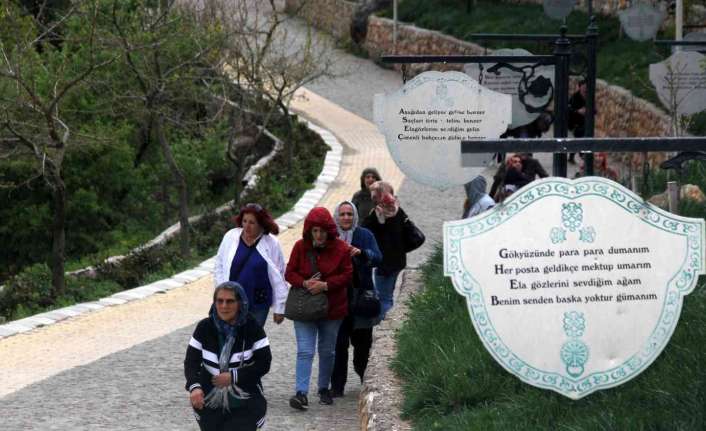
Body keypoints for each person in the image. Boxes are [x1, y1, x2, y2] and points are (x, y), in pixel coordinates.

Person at [285, 207, 353, 410]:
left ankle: (324, 387)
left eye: (322, 231)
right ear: (309, 231)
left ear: (329, 230)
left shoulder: (341, 248)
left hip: (332, 309)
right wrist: (305, 283)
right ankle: (301, 392)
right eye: (315, 231)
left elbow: (347, 274)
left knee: (327, 351)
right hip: (304, 308)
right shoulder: (300, 247)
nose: (319, 235)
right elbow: (289, 272)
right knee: (305, 351)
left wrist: (326, 285)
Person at [184, 281, 271, 431]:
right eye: (220, 301)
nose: (224, 306)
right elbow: (191, 361)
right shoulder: (204, 327)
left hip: (245, 403)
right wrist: (195, 387)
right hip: (209, 403)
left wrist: (233, 376)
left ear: (240, 303)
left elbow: (264, 362)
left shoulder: (252, 328)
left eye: (230, 301)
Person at [330, 201, 382, 397]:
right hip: (338, 299)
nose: (345, 218)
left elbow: (378, 258)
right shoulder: (331, 236)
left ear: (355, 217)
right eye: (342, 214)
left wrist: (362, 253)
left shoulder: (364, 235)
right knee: (338, 345)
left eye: (349, 214)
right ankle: (337, 386)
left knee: (362, 345)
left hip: (361, 299)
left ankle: (364, 379)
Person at [214, 203, 288, 328]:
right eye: (244, 221)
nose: (247, 226)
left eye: (252, 223)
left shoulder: (271, 243)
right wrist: (221, 292)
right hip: (232, 301)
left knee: (251, 340)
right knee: (230, 339)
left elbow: (280, 274)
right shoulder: (231, 237)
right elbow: (219, 265)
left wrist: (279, 308)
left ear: (261, 224)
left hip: (258, 302)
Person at [361, 181, 412, 320]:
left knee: (384, 298)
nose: (372, 198)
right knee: (388, 294)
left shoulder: (378, 214)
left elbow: (364, 230)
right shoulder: (397, 210)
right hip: (398, 261)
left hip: (385, 264)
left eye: (374, 196)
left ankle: (386, 324)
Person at [568, 80, 587, 164]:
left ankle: (573, 156)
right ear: (579, 87)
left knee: (579, 139)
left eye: (586, 87)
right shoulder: (575, 97)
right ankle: (582, 154)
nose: (585, 89)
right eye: (583, 87)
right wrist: (578, 111)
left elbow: (595, 110)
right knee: (579, 137)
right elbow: (569, 109)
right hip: (575, 122)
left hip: (585, 122)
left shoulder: (589, 96)